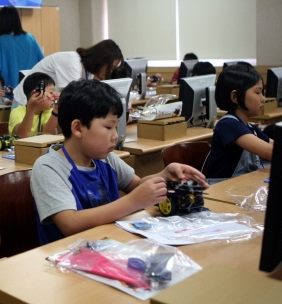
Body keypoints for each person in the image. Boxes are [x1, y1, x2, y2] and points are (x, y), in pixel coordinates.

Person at [30, 79, 208, 245]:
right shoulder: (48, 167)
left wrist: (164, 175)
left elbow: (136, 185)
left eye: (116, 127)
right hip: (68, 255)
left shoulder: (105, 158)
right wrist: (133, 202)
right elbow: (70, 223)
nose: (115, 135)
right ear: (77, 128)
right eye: (109, 127)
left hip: (111, 244)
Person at [204, 64, 274, 182]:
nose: (263, 98)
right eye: (258, 93)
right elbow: (269, 152)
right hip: (221, 187)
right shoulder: (228, 125)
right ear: (235, 97)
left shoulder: (249, 127)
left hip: (239, 184)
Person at [12, 39, 123, 107]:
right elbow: (72, 98)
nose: (109, 71)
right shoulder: (72, 62)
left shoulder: (87, 71)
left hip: (43, 107)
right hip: (25, 103)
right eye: (110, 67)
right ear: (101, 60)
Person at [0, 5, 44, 89]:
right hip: (32, 89)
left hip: (11, 91)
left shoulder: (1, 41)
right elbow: (43, 62)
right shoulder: (30, 38)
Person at [9, 72, 59, 138]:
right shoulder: (17, 112)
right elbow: (22, 136)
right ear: (35, 93)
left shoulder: (48, 112)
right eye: (51, 92)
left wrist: (56, 110)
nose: (54, 96)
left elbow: (47, 135)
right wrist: (32, 108)